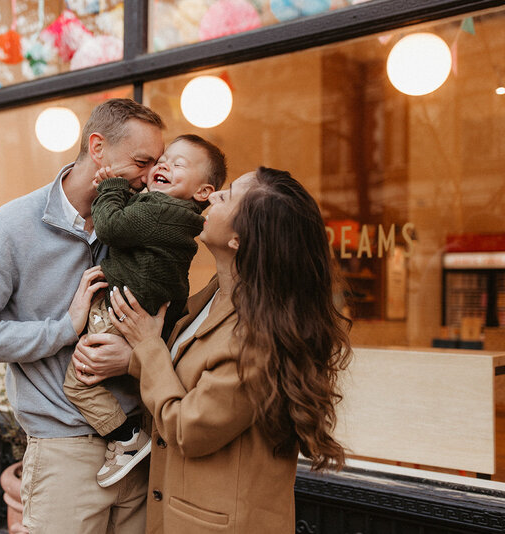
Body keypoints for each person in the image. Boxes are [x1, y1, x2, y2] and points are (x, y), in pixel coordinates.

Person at [73, 167, 352, 533]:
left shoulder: (260, 334)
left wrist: (147, 346)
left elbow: (191, 428)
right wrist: (133, 359)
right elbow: (192, 378)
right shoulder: (216, 293)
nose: (215, 195)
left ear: (239, 239)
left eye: (229, 194)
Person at [0, 98, 165, 534]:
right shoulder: (11, 225)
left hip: (141, 450)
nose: (151, 175)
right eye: (142, 161)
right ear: (98, 148)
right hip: (65, 454)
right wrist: (63, 330)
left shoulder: (140, 224)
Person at [63, 135, 227, 489]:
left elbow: (110, 227)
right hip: (146, 307)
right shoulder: (174, 215)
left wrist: (111, 187)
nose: (163, 165)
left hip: (128, 309)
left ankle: (127, 438)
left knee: (77, 382)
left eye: (178, 164)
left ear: (203, 192)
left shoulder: (160, 211)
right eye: (162, 160)